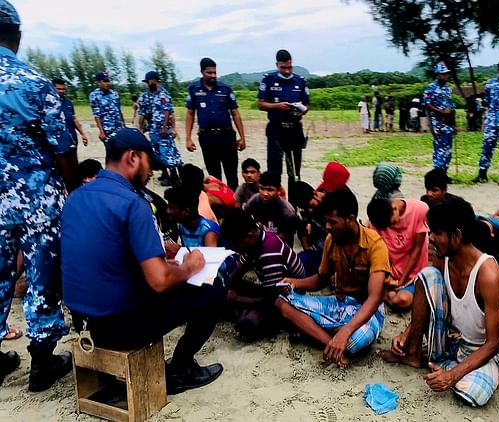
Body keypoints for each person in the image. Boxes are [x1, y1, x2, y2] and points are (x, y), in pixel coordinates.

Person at [61, 127, 228, 395]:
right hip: (119, 328)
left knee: (173, 276)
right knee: (212, 287)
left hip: (85, 321)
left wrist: (170, 264)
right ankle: (181, 369)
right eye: (150, 164)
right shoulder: (132, 203)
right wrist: (190, 265)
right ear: (133, 158)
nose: (151, 173)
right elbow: (159, 281)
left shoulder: (76, 196)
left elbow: (111, 257)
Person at [0, 0, 71, 391]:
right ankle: (42, 365)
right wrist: (74, 192)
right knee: (43, 272)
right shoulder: (34, 82)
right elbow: (63, 149)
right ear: (18, 36)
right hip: (34, 199)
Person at [378, 196, 499, 407]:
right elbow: (430, 295)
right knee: (427, 275)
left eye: (436, 233)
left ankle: (447, 369)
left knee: (473, 395)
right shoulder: (442, 257)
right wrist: (407, 334)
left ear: (456, 235)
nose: (431, 239)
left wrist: (453, 375)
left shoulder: (488, 275)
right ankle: (413, 354)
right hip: (447, 341)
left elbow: (494, 343)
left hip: (478, 352)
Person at [276, 189, 390, 368]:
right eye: (326, 221)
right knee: (282, 302)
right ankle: (331, 342)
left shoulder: (375, 245)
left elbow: (374, 299)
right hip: (338, 303)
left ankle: (322, 333)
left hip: (367, 311)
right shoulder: (331, 240)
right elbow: (320, 280)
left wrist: (345, 331)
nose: (327, 226)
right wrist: (293, 282)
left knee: (355, 341)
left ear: (350, 219)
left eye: (332, 222)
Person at [221, 209, 305, 341]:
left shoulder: (269, 253)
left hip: (288, 298)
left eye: (237, 244)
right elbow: (238, 271)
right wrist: (226, 287)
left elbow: (271, 299)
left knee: (249, 323)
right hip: (270, 288)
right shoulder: (255, 236)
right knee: (222, 288)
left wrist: (237, 298)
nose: (236, 249)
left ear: (250, 236)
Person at [185, 58, 246, 191]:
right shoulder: (193, 89)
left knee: (231, 174)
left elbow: (235, 113)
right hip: (207, 137)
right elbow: (190, 114)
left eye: (214, 72)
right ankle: (219, 206)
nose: (213, 75)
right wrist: (188, 138)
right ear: (202, 72)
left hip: (226, 136)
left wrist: (242, 137)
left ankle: (234, 205)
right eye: (209, 73)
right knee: (214, 175)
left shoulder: (225, 89)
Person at [257, 49, 310, 194]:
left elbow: (307, 104)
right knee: (274, 170)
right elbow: (261, 104)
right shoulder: (268, 80)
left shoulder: (300, 80)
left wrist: (302, 109)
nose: (287, 71)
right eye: (283, 67)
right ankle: (276, 203)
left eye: (289, 67)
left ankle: (293, 206)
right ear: (277, 65)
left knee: (294, 170)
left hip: (294, 130)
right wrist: (277, 106)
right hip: (276, 130)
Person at [367, 197, 429, 311]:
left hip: (412, 274)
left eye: (391, 223)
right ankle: (386, 292)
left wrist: (401, 282)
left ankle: (385, 293)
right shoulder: (376, 219)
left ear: (394, 209)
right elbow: (378, 252)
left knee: (402, 300)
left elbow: (416, 250)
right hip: (390, 273)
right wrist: (388, 278)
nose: (391, 228)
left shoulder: (419, 210)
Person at [139, 70, 183, 187]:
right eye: (147, 82)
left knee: (168, 152)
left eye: (149, 81)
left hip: (163, 129)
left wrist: (166, 127)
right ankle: (165, 174)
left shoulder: (163, 94)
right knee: (157, 152)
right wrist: (141, 128)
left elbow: (168, 111)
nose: (148, 84)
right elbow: (142, 113)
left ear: (154, 80)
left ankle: (174, 176)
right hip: (153, 129)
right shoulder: (145, 96)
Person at [51, 78, 89, 192]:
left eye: (63, 89)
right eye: (59, 89)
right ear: (52, 88)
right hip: (57, 145)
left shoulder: (68, 102)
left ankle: (77, 193)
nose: (62, 91)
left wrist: (83, 133)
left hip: (71, 142)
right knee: (64, 173)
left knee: (75, 171)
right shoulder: (48, 103)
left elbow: (73, 118)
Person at [244, 171, 297, 247]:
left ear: (279, 190)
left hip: (279, 250)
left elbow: (279, 242)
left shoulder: (288, 213)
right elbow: (243, 220)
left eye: (270, 190)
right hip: (260, 241)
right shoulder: (255, 200)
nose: (265, 194)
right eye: (262, 189)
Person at [424, 62, 456, 178]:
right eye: (443, 74)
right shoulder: (431, 88)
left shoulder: (448, 89)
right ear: (437, 75)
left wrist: (454, 124)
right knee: (439, 151)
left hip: (448, 123)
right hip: (438, 123)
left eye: (447, 74)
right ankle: (438, 176)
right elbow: (427, 104)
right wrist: (440, 111)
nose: (446, 76)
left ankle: (445, 174)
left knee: (448, 151)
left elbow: (451, 108)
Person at [89, 71, 125, 144]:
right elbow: (97, 115)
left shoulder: (114, 94)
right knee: (111, 151)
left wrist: (124, 125)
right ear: (98, 82)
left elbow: (119, 111)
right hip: (107, 129)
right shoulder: (94, 96)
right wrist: (101, 132)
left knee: (123, 150)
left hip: (119, 128)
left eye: (108, 81)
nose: (107, 83)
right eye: (105, 81)